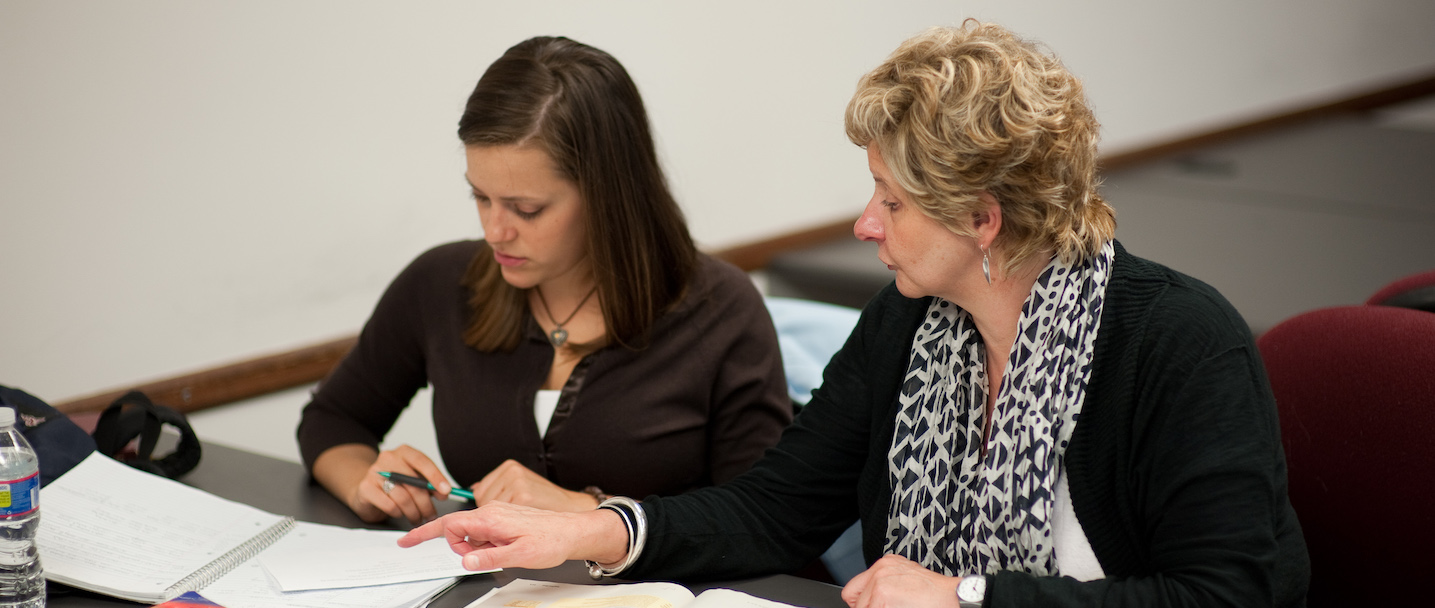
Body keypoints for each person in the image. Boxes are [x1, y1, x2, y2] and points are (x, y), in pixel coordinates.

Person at [398, 21, 1310, 607]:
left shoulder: (1179, 344)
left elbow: (1233, 595)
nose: (864, 224)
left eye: (892, 201)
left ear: (983, 219)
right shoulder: (909, 323)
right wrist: (596, 530)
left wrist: (964, 598)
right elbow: (775, 510)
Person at [298, 36, 792, 526]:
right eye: (480, 197)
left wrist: (595, 514)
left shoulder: (720, 309)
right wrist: (363, 481)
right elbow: (332, 419)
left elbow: (764, 516)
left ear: (607, 197)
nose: (495, 231)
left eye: (526, 209)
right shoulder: (439, 284)